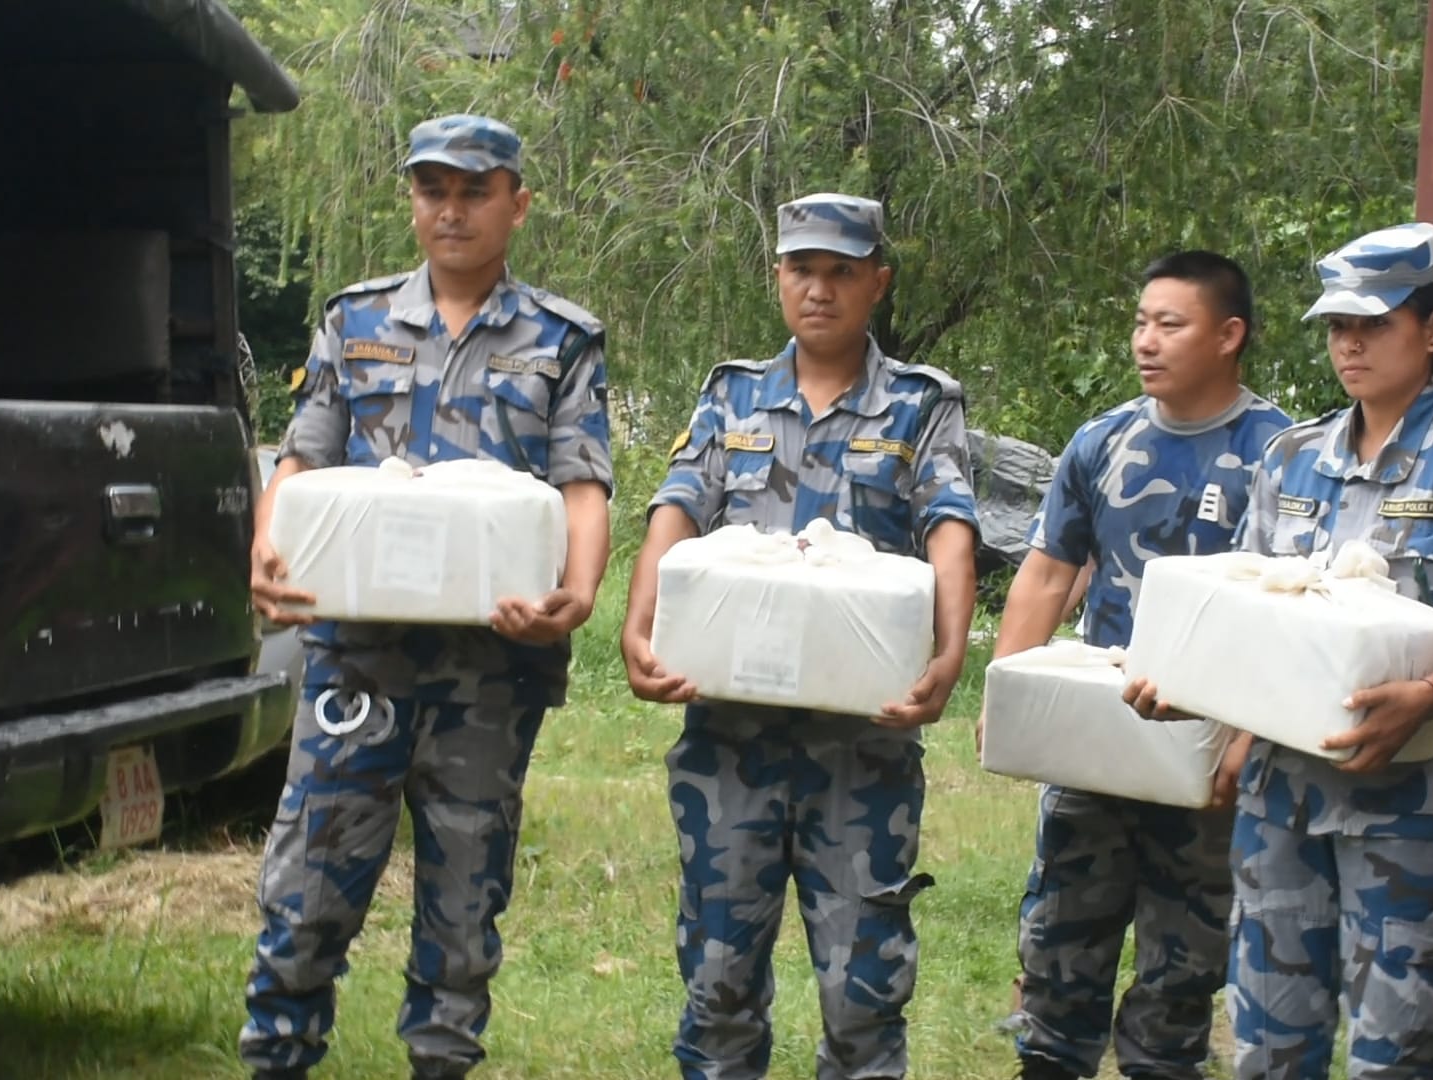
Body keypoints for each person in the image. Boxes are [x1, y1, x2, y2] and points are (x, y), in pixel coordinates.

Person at [241, 115, 615, 1080]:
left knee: (463, 894)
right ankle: (277, 1056)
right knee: (309, 881)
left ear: (516, 204)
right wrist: (265, 551)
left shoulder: (563, 340)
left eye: (473, 190)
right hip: (357, 653)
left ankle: (441, 1062)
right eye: (432, 190)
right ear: (412, 200)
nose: (450, 210)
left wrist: (575, 593)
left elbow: (584, 486)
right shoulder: (353, 321)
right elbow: (303, 456)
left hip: (492, 668)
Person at [1129, 222, 1433, 1080]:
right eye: (1338, 327)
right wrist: (1196, 693)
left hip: (1409, 796)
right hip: (1282, 792)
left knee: (1396, 1047)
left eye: (1373, 324)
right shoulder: (1292, 456)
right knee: (1271, 1041)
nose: (1350, 343)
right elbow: (1240, 604)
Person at [620, 193, 979, 1080]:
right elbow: (677, 509)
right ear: (778, 276)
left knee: (863, 995)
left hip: (862, 749)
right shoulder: (731, 393)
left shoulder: (920, 404)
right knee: (717, 982)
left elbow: (950, 524)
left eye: (841, 272)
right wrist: (638, 622)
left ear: (877, 283)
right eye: (801, 269)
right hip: (729, 742)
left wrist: (950, 649)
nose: (818, 289)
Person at [987, 252, 1291, 1080]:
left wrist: (1252, 738)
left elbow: (1294, 615)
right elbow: (1050, 568)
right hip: (1097, 738)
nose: (1146, 342)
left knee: (1182, 979)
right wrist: (1008, 686)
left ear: (1229, 336)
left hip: (1207, 749)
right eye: (1141, 322)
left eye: (1171, 324)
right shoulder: (1103, 440)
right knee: (1058, 961)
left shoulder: (1282, 456)